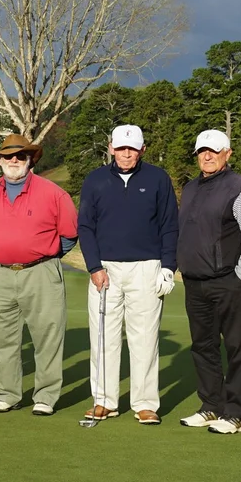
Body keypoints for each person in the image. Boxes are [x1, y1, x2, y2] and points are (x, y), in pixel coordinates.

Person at [77, 124, 179, 425]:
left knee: (145, 337)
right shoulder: (95, 180)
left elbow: (170, 225)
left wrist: (168, 267)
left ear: (142, 150)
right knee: (104, 338)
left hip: (146, 267)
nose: (126, 154)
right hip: (105, 268)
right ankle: (104, 401)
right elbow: (85, 226)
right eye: (121, 148)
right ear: (111, 148)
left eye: (132, 149)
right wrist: (94, 266)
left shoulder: (158, 178)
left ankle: (145, 403)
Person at [0, 133, 78, 415]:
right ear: (0, 160)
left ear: (31, 160)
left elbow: (69, 235)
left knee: (47, 337)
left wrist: (43, 256)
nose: (14, 160)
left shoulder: (54, 193)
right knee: (1, 338)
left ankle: (45, 397)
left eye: (21, 156)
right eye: (8, 156)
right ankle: (8, 394)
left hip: (41, 273)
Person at [176, 131, 241, 435]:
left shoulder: (240, 188)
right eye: (202, 151)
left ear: (227, 153)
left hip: (229, 281)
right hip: (195, 282)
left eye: (214, 151)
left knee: (237, 347)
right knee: (203, 347)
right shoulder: (190, 189)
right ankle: (210, 405)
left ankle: (236, 413)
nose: (207, 156)